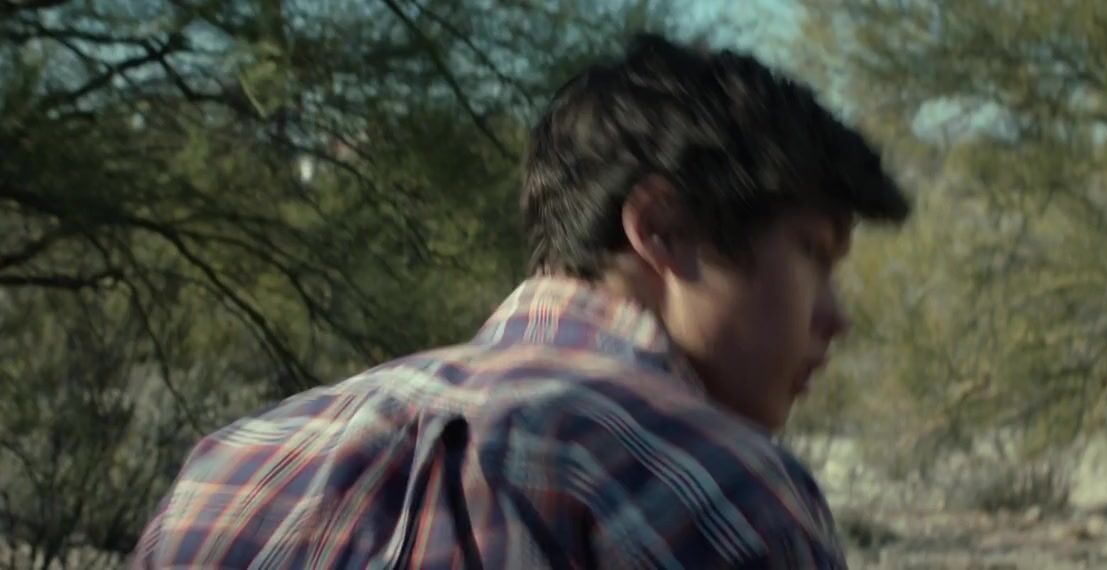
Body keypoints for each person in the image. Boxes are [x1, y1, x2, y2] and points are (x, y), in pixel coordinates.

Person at [131, 32, 909, 569]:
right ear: (662, 230)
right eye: (813, 253)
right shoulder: (721, 492)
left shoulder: (227, 470)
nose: (835, 315)